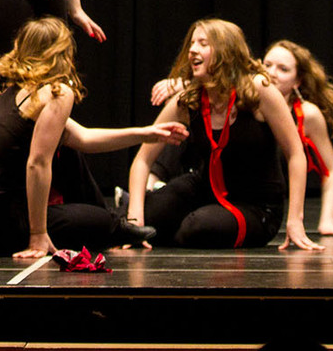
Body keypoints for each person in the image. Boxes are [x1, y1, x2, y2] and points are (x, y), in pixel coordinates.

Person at [0, 17, 186, 258]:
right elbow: (37, 163)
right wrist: (38, 235)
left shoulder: (16, 91)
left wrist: (147, 133)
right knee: (98, 222)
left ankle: (112, 226)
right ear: (62, 53)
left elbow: (83, 138)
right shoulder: (58, 92)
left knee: (71, 155)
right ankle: (111, 226)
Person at [125, 19, 319, 251]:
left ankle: (171, 228)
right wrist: (134, 220)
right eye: (192, 43)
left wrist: (295, 221)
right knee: (134, 220)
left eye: (203, 43)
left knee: (197, 228)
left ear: (225, 52)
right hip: (204, 189)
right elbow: (143, 160)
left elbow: (296, 154)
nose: (192, 50)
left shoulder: (259, 89)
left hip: (255, 206)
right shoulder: (189, 99)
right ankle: (153, 219)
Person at [261, 40, 333, 238]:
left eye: (283, 69)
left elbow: (331, 171)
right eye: (267, 65)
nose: (272, 73)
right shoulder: (245, 105)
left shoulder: (307, 115)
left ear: (298, 81)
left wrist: (328, 221)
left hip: (269, 212)